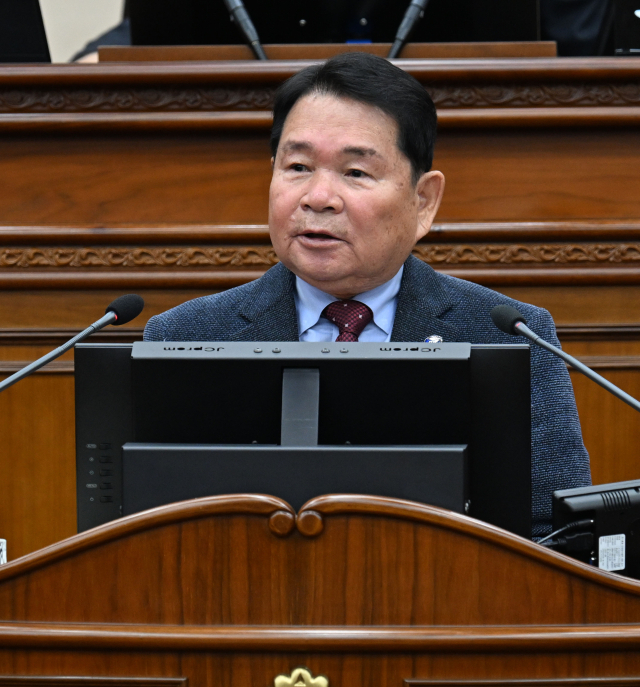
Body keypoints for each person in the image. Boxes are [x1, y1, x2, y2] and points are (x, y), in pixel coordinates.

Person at [144, 52, 591, 537]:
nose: (318, 197)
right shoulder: (184, 336)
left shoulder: (510, 336)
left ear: (424, 200)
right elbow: (148, 534)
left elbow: (557, 536)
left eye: (355, 173)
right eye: (298, 166)